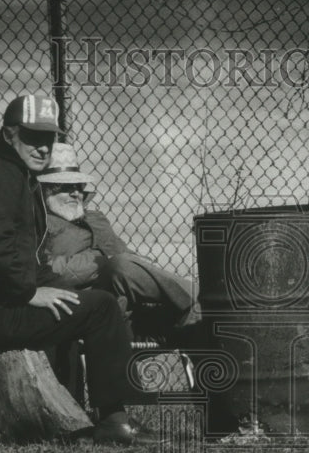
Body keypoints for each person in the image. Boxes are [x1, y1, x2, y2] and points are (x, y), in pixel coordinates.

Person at [0, 93, 139, 444]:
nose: (43, 147)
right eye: (32, 137)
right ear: (9, 133)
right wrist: (28, 292)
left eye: (49, 138)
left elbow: (25, 259)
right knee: (101, 309)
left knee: (78, 304)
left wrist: (52, 287)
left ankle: (77, 418)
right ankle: (114, 422)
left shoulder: (13, 174)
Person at [36, 142, 200, 341]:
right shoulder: (39, 225)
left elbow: (130, 258)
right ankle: (205, 299)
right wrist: (103, 261)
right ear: (44, 191)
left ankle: (203, 313)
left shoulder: (96, 219)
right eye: (64, 187)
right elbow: (49, 271)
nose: (75, 193)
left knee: (198, 328)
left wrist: (131, 263)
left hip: (131, 309)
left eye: (78, 186)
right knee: (120, 266)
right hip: (86, 306)